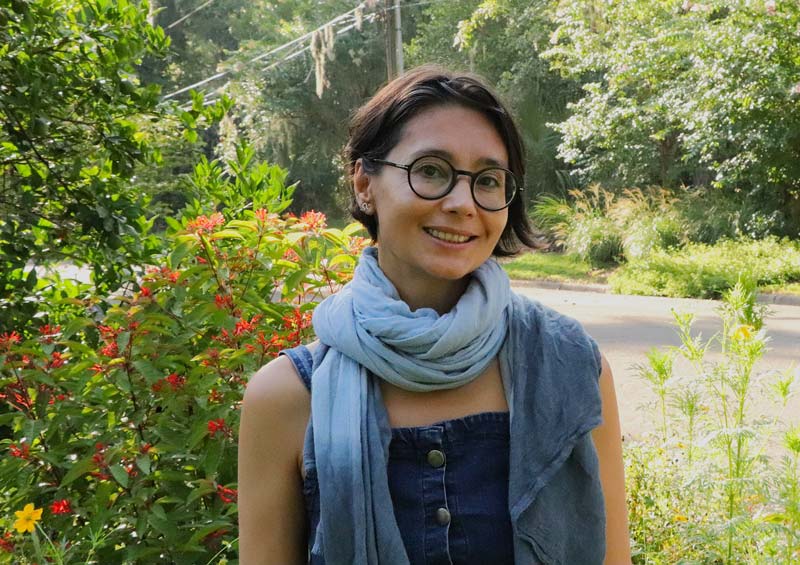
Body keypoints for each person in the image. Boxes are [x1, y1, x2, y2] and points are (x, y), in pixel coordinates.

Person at [238, 65, 631, 564]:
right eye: (430, 171)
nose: (463, 203)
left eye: (487, 180)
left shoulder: (572, 366)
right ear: (364, 183)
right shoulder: (288, 397)